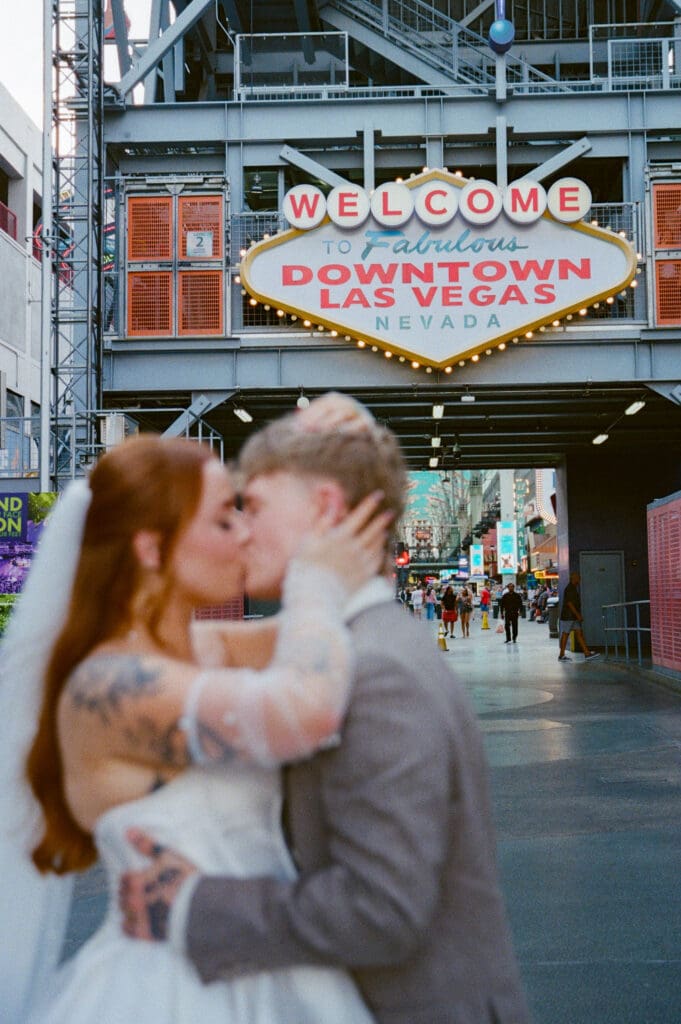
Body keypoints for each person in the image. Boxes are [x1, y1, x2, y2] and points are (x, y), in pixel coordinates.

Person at [119, 400, 531, 1024]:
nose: (241, 530)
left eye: (252, 506)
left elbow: (382, 909)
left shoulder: (377, 672)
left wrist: (192, 905)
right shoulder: (349, 648)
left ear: (326, 510)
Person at [0, 425, 392, 1024]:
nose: (243, 534)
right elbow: (305, 707)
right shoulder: (109, 686)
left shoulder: (191, 652)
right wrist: (315, 580)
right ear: (151, 548)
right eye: (223, 519)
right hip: (170, 991)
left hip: (259, 961)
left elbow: (318, 635)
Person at [558, 571, 601, 662]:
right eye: (578, 578)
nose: (580, 579)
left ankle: (587, 653)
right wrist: (578, 615)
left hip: (572, 616)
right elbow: (569, 603)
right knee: (565, 634)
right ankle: (561, 655)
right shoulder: (570, 589)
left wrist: (577, 615)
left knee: (579, 634)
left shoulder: (572, 588)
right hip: (568, 617)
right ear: (574, 579)